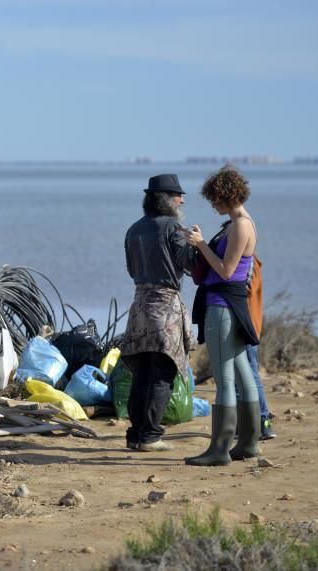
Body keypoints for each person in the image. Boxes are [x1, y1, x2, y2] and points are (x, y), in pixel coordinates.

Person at [184, 165, 261, 466]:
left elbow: (227, 271)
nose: (213, 206)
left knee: (225, 379)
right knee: (242, 373)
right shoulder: (238, 222)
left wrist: (201, 244)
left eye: (214, 200)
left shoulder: (241, 225)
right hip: (231, 305)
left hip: (223, 306)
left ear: (226, 196)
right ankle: (248, 443)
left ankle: (219, 449)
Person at [121, 173, 198, 452]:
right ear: (166, 199)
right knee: (162, 372)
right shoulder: (173, 228)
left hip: (139, 305)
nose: (182, 199)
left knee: (141, 373)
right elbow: (189, 264)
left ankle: (134, 434)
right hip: (164, 307)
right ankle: (151, 436)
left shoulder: (133, 229)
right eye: (178, 195)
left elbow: (131, 269)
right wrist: (197, 244)